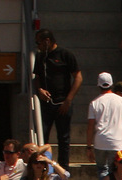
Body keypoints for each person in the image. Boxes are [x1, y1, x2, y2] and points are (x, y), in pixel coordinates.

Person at [32, 30, 82, 171]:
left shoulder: (65, 55)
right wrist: (40, 90)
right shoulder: (41, 56)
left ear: (47, 41)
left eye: (39, 43)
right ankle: (42, 167)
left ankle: (63, 168)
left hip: (62, 103)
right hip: (47, 103)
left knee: (63, 137)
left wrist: (68, 100)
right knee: (43, 136)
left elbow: (78, 77)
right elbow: (37, 77)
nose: (38, 46)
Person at [87, 72, 122, 180]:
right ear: (111, 84)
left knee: (102, 169)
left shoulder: (94, 103)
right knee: (116, 170)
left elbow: (90, 126)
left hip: (100, 141)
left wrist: (89, 147)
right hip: (116, 142)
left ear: (98, 85)